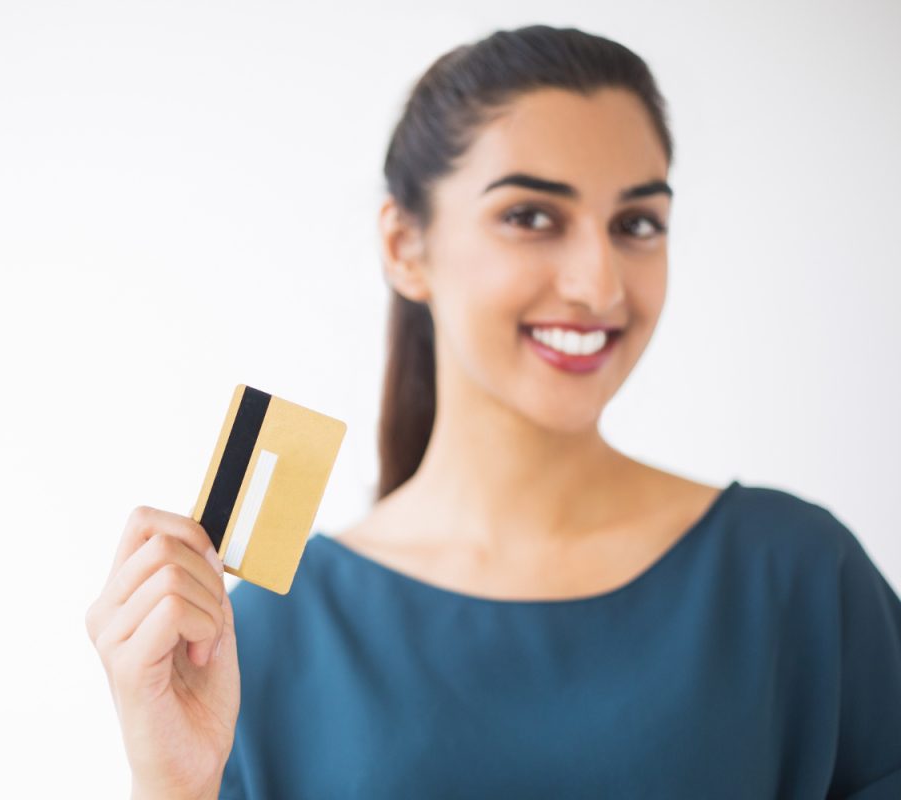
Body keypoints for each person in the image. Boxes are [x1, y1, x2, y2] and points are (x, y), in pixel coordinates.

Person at [84, 24, 901, 799]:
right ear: (405, 246)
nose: (600, 284)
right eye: (532, 216)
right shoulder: (253, 641)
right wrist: (174, 787)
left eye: (637, 223)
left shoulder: (798, 580)